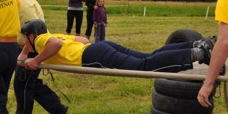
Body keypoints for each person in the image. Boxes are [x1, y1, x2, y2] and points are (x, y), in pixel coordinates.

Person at [0, 0, 68, 114]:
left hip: (34, 46)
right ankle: (57, 108)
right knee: (28, 83)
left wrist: (26, 54)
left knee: (22, 84)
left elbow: (33, 34)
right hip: (27, 45)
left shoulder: (23, 5)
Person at [19, 19, 214, 73]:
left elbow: (54, 44)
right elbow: (84, 40)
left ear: (30, 36)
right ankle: (196, 44)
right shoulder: (51, 34)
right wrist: (26, 52)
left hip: (93, 57)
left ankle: (197, 53)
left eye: (24, 38)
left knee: (145, 66)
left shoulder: (42, 40)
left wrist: (36, 60)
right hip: (98, 47)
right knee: (148, 56)